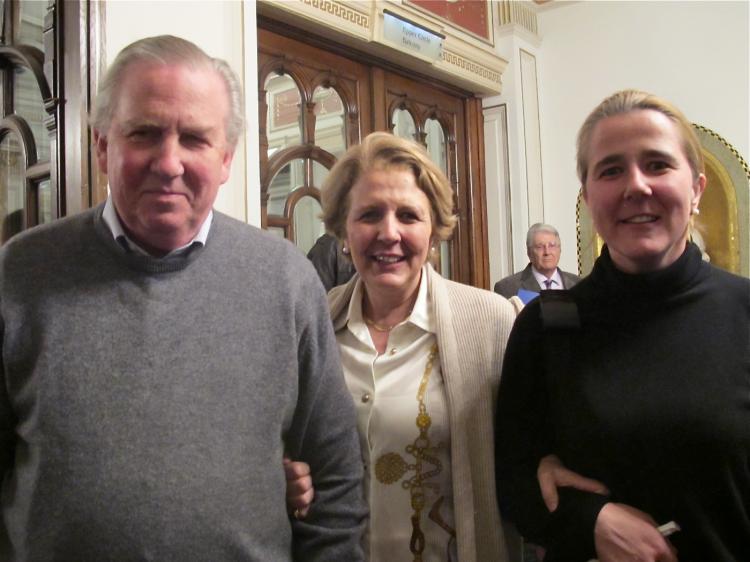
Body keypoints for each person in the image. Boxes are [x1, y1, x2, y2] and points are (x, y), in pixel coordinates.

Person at [0, 35, 366, 560]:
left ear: (225, 158)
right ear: (103, 146)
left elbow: (334, 477)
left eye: (194, 138)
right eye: (144, 133)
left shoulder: (286, 280)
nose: (168, 162)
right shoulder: (21, 273)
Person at [495, 89, 750, 561]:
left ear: (696, 189)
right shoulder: (543, 326)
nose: (636, 186)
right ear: (589, 196)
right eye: (611, 170)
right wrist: (588, 521)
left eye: (657, 164)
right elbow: (512, 483)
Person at [289, 132, 523, 561]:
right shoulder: (312, 324)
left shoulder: (491, 322)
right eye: (369, 215)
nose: (388, 233)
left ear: (434, 232)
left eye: (409, 216)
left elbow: (525, 461)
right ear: (343, 229)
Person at [494, 223, 580, 300]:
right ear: (529, 252)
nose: (547, 252)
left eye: (552, 246)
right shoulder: (507, 288)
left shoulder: (579, 284)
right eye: (540, 247)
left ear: (560, 249)